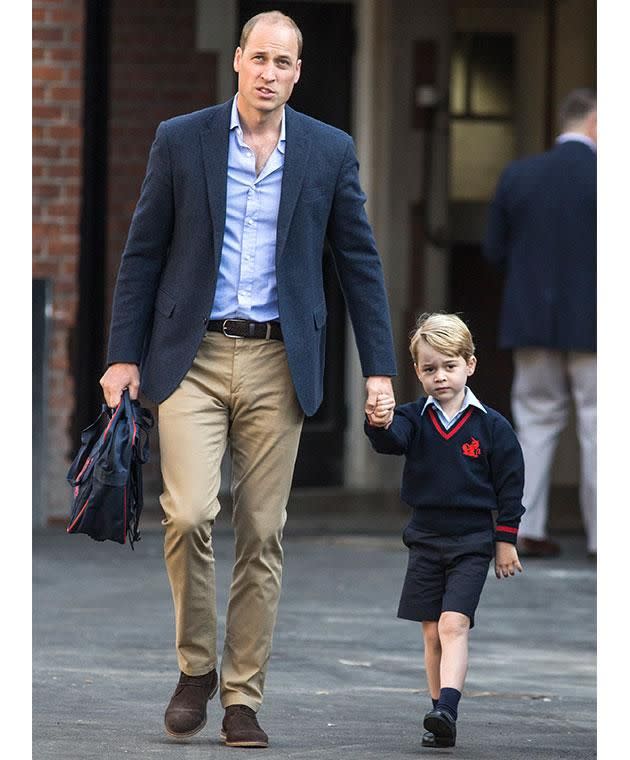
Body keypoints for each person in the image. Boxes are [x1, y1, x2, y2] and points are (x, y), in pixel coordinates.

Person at [100, 11, 396, 748]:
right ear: (237, 60)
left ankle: (240, 697)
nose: (269, 73)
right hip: (190, 356)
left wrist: (381, 371)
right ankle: (196, 667)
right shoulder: (182, 138)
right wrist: (122, 354)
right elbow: (143, 253)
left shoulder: (329, 152)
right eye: (258, 57)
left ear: (299, 73)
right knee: (191, 513)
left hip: (278, 362)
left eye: (284, 63)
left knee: (262, 532)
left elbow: (359, 264)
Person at [365, 312, 524, 749]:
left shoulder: (491, 426)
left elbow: (510, 484)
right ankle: (439, 715)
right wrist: (379, 421)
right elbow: (391, 438)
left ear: (470, 365)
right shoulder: (415, 418)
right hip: (425, 539)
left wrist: (505, 540)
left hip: (472, 542)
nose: (440, 377)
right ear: (416, 371)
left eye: (449, 366)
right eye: (429, 368)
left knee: (455, 624)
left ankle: (447, 708)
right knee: (432, 631)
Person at [483, 88, 596, 558]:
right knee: (602, 426)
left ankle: (525, 529)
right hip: (597, 324)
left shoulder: (519, 175)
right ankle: (605, 537)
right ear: (596, 124)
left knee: (534, 422)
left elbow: (493, 251)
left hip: (531, 321)